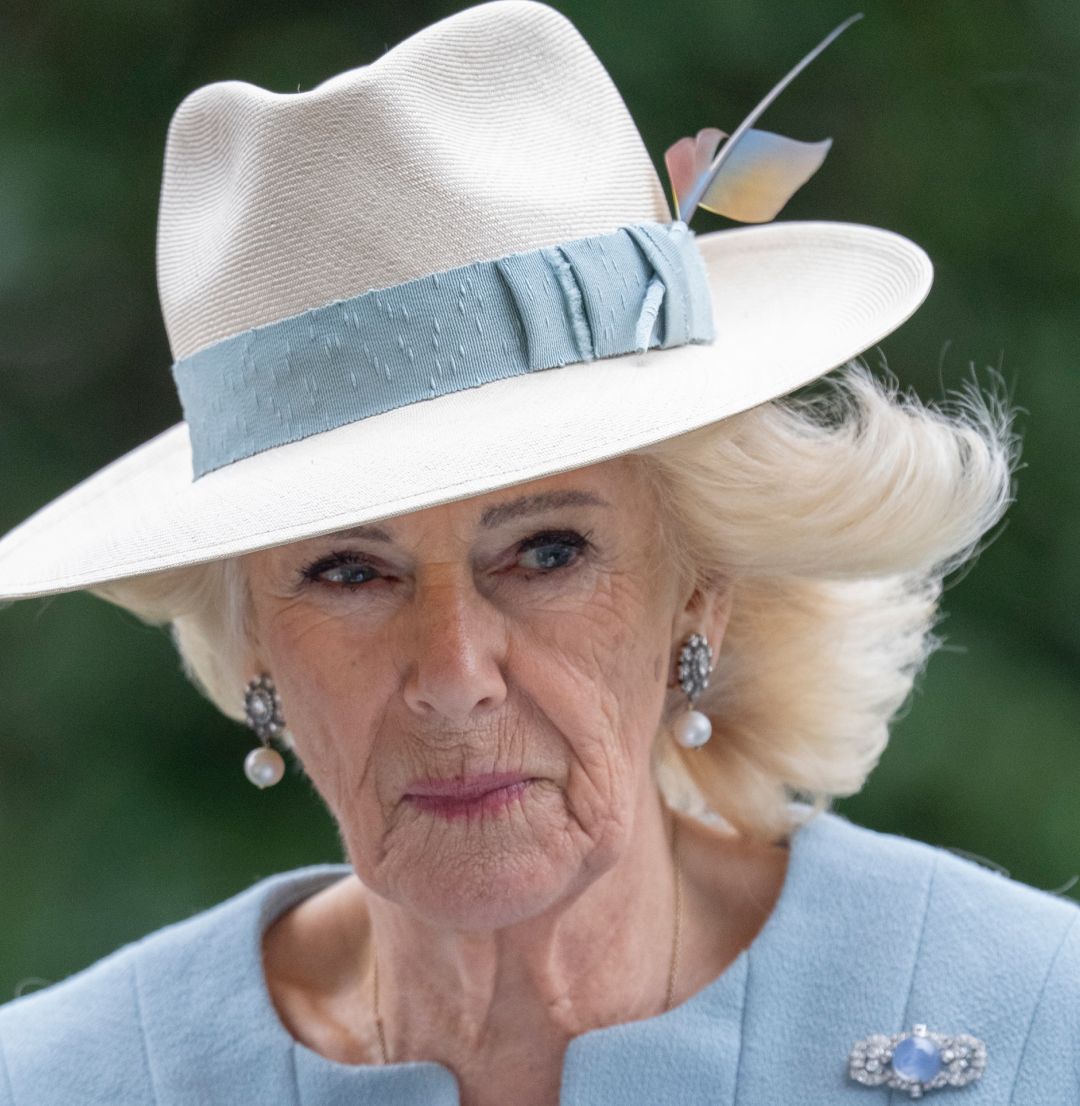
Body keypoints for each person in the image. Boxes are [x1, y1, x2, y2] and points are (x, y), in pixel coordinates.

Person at [0, 2, 1076, 1103]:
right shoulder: (55, 1078)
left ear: (698, 589)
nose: (456, 678)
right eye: (349, 570)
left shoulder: (1040, 1020)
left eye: (547, 549)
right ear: (254, 642)